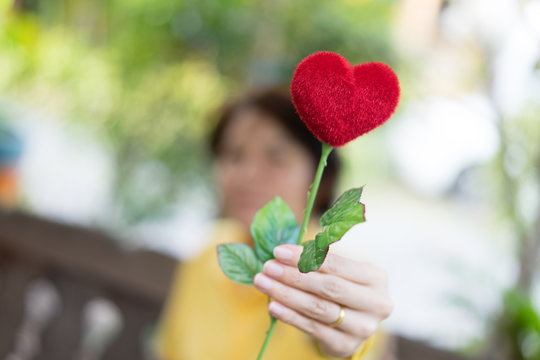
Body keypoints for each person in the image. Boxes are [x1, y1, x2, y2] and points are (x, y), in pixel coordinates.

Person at [154, 89, 393, 359]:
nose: (249, 174)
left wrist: (346, 347)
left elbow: (359, 339)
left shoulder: (342, 282)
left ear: (320, 179)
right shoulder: (207, 254)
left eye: (275, 157)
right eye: (234, 155)